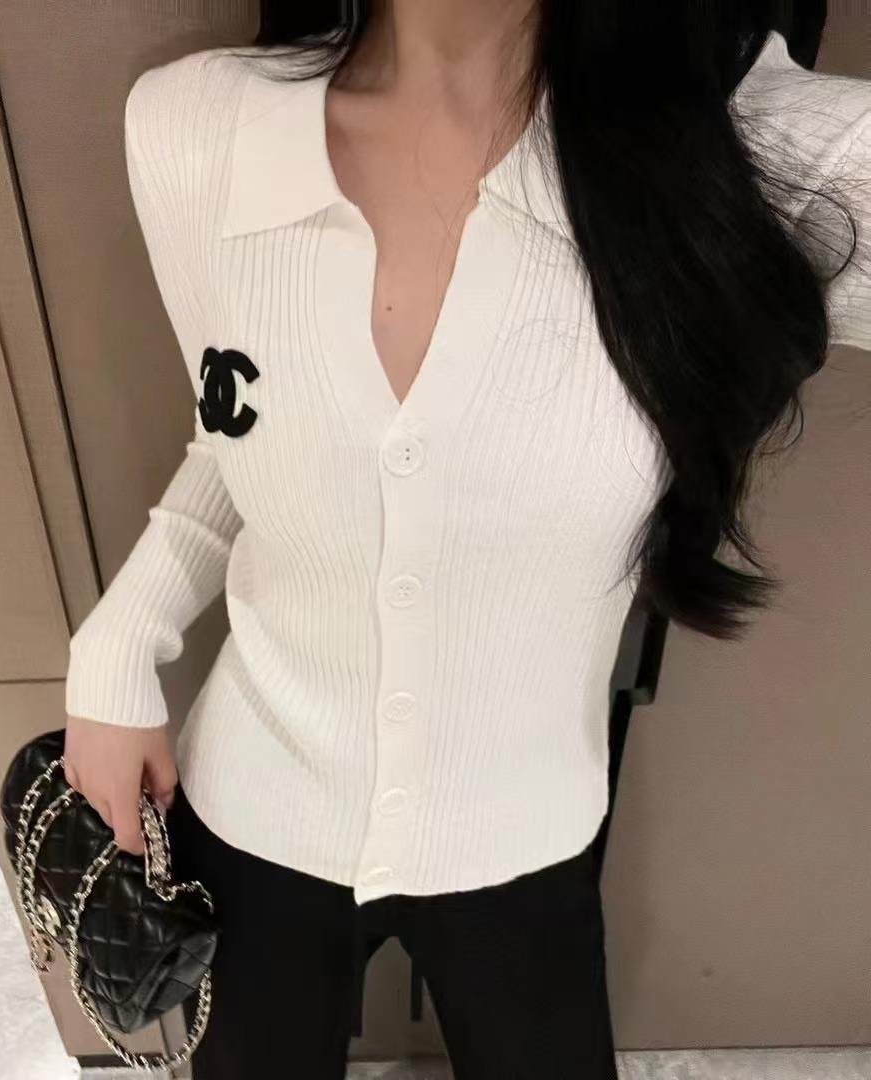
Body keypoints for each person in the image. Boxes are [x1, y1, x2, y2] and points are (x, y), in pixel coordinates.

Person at [63, 3, 870, 1076]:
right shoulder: (193, 126)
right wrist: (119, 643)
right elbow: (236, 427)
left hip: (524, 826)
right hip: (257, 795)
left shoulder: (748, 155)